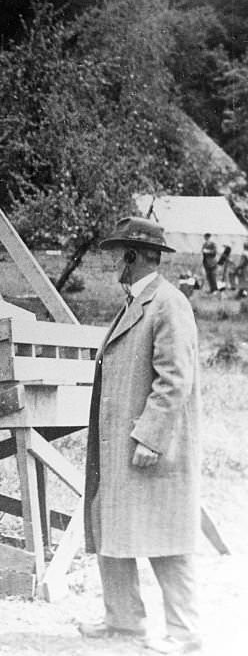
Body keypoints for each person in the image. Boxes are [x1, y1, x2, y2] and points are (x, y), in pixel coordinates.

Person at [80, 217, 202, 654]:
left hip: (149, 445)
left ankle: (184, 632)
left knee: (164, 534)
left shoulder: (168, 304)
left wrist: (151, 437)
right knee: (109, 521)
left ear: (133, 256)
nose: (113, 262)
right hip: (117, 442)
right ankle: (124, 621)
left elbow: (174, 379)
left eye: (118, 254)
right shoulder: (135, 302)